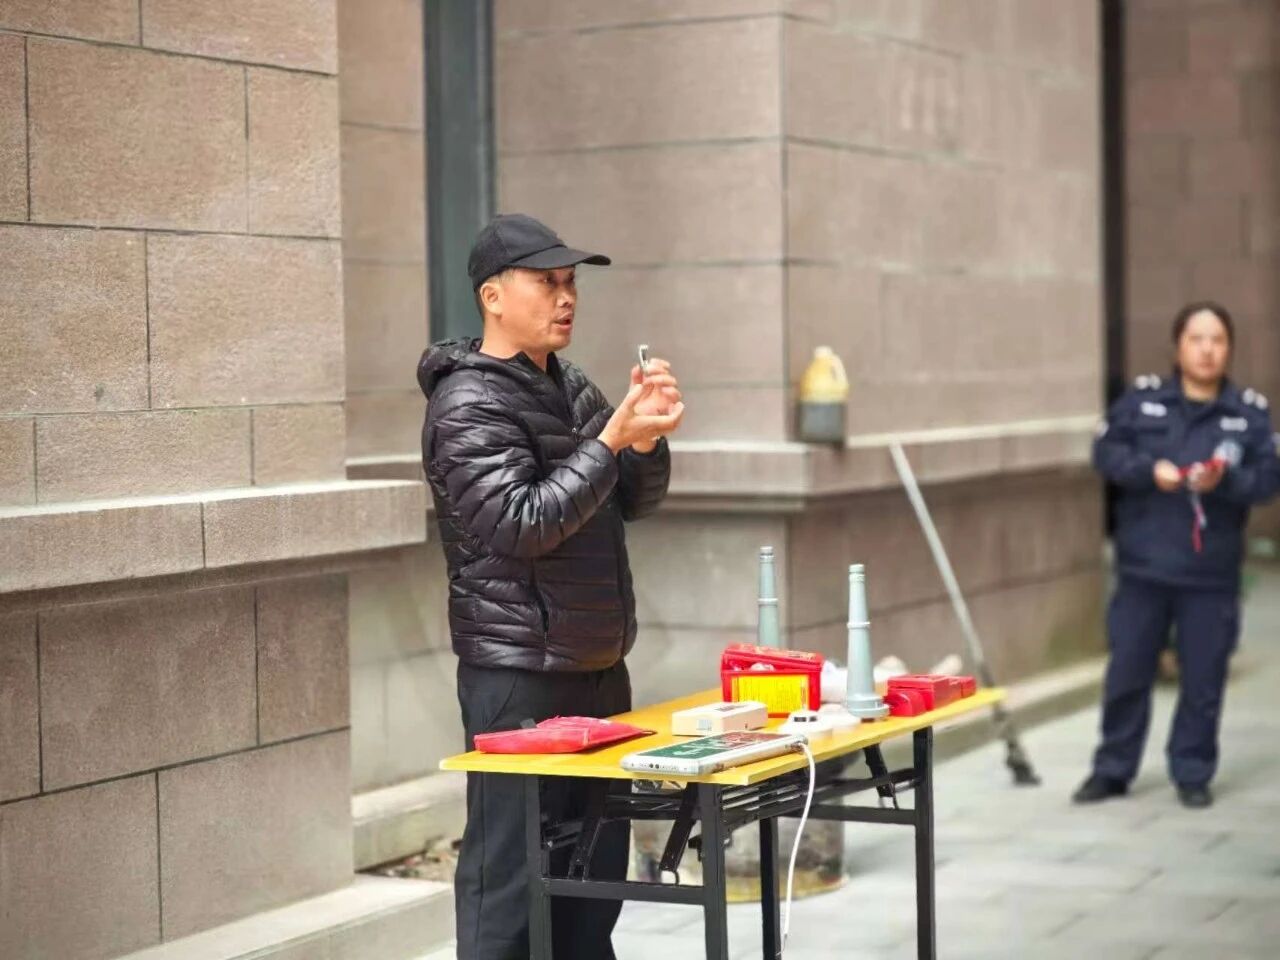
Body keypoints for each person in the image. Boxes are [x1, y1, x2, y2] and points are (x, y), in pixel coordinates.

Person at [416, 213, 685, 960]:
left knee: (593, 879)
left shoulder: (573, 386)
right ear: (493, 296)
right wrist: (609, 440)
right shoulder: (467, 402)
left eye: (571, 283)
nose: (566, 298)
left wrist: (645, 441)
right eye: (547, 283)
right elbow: (521, 522)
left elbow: (631, 501)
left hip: (596, 666)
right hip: (518, 676)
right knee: (510, 883)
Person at [1074, 301, 1279, 809]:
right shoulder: (1142, 402)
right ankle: (1112, 769)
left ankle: (1192, 771)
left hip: (1210, 574)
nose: (1207, 350)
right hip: (1144, 568)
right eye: (1196, 339)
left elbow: (1267, 480)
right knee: (1127, 674)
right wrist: (1150, 471)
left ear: (1229, 349)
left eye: (1217, 340)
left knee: (1203, 681)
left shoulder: (1247, 414)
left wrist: (1224, 479)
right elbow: (1106, 453)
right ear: (1177, 346)